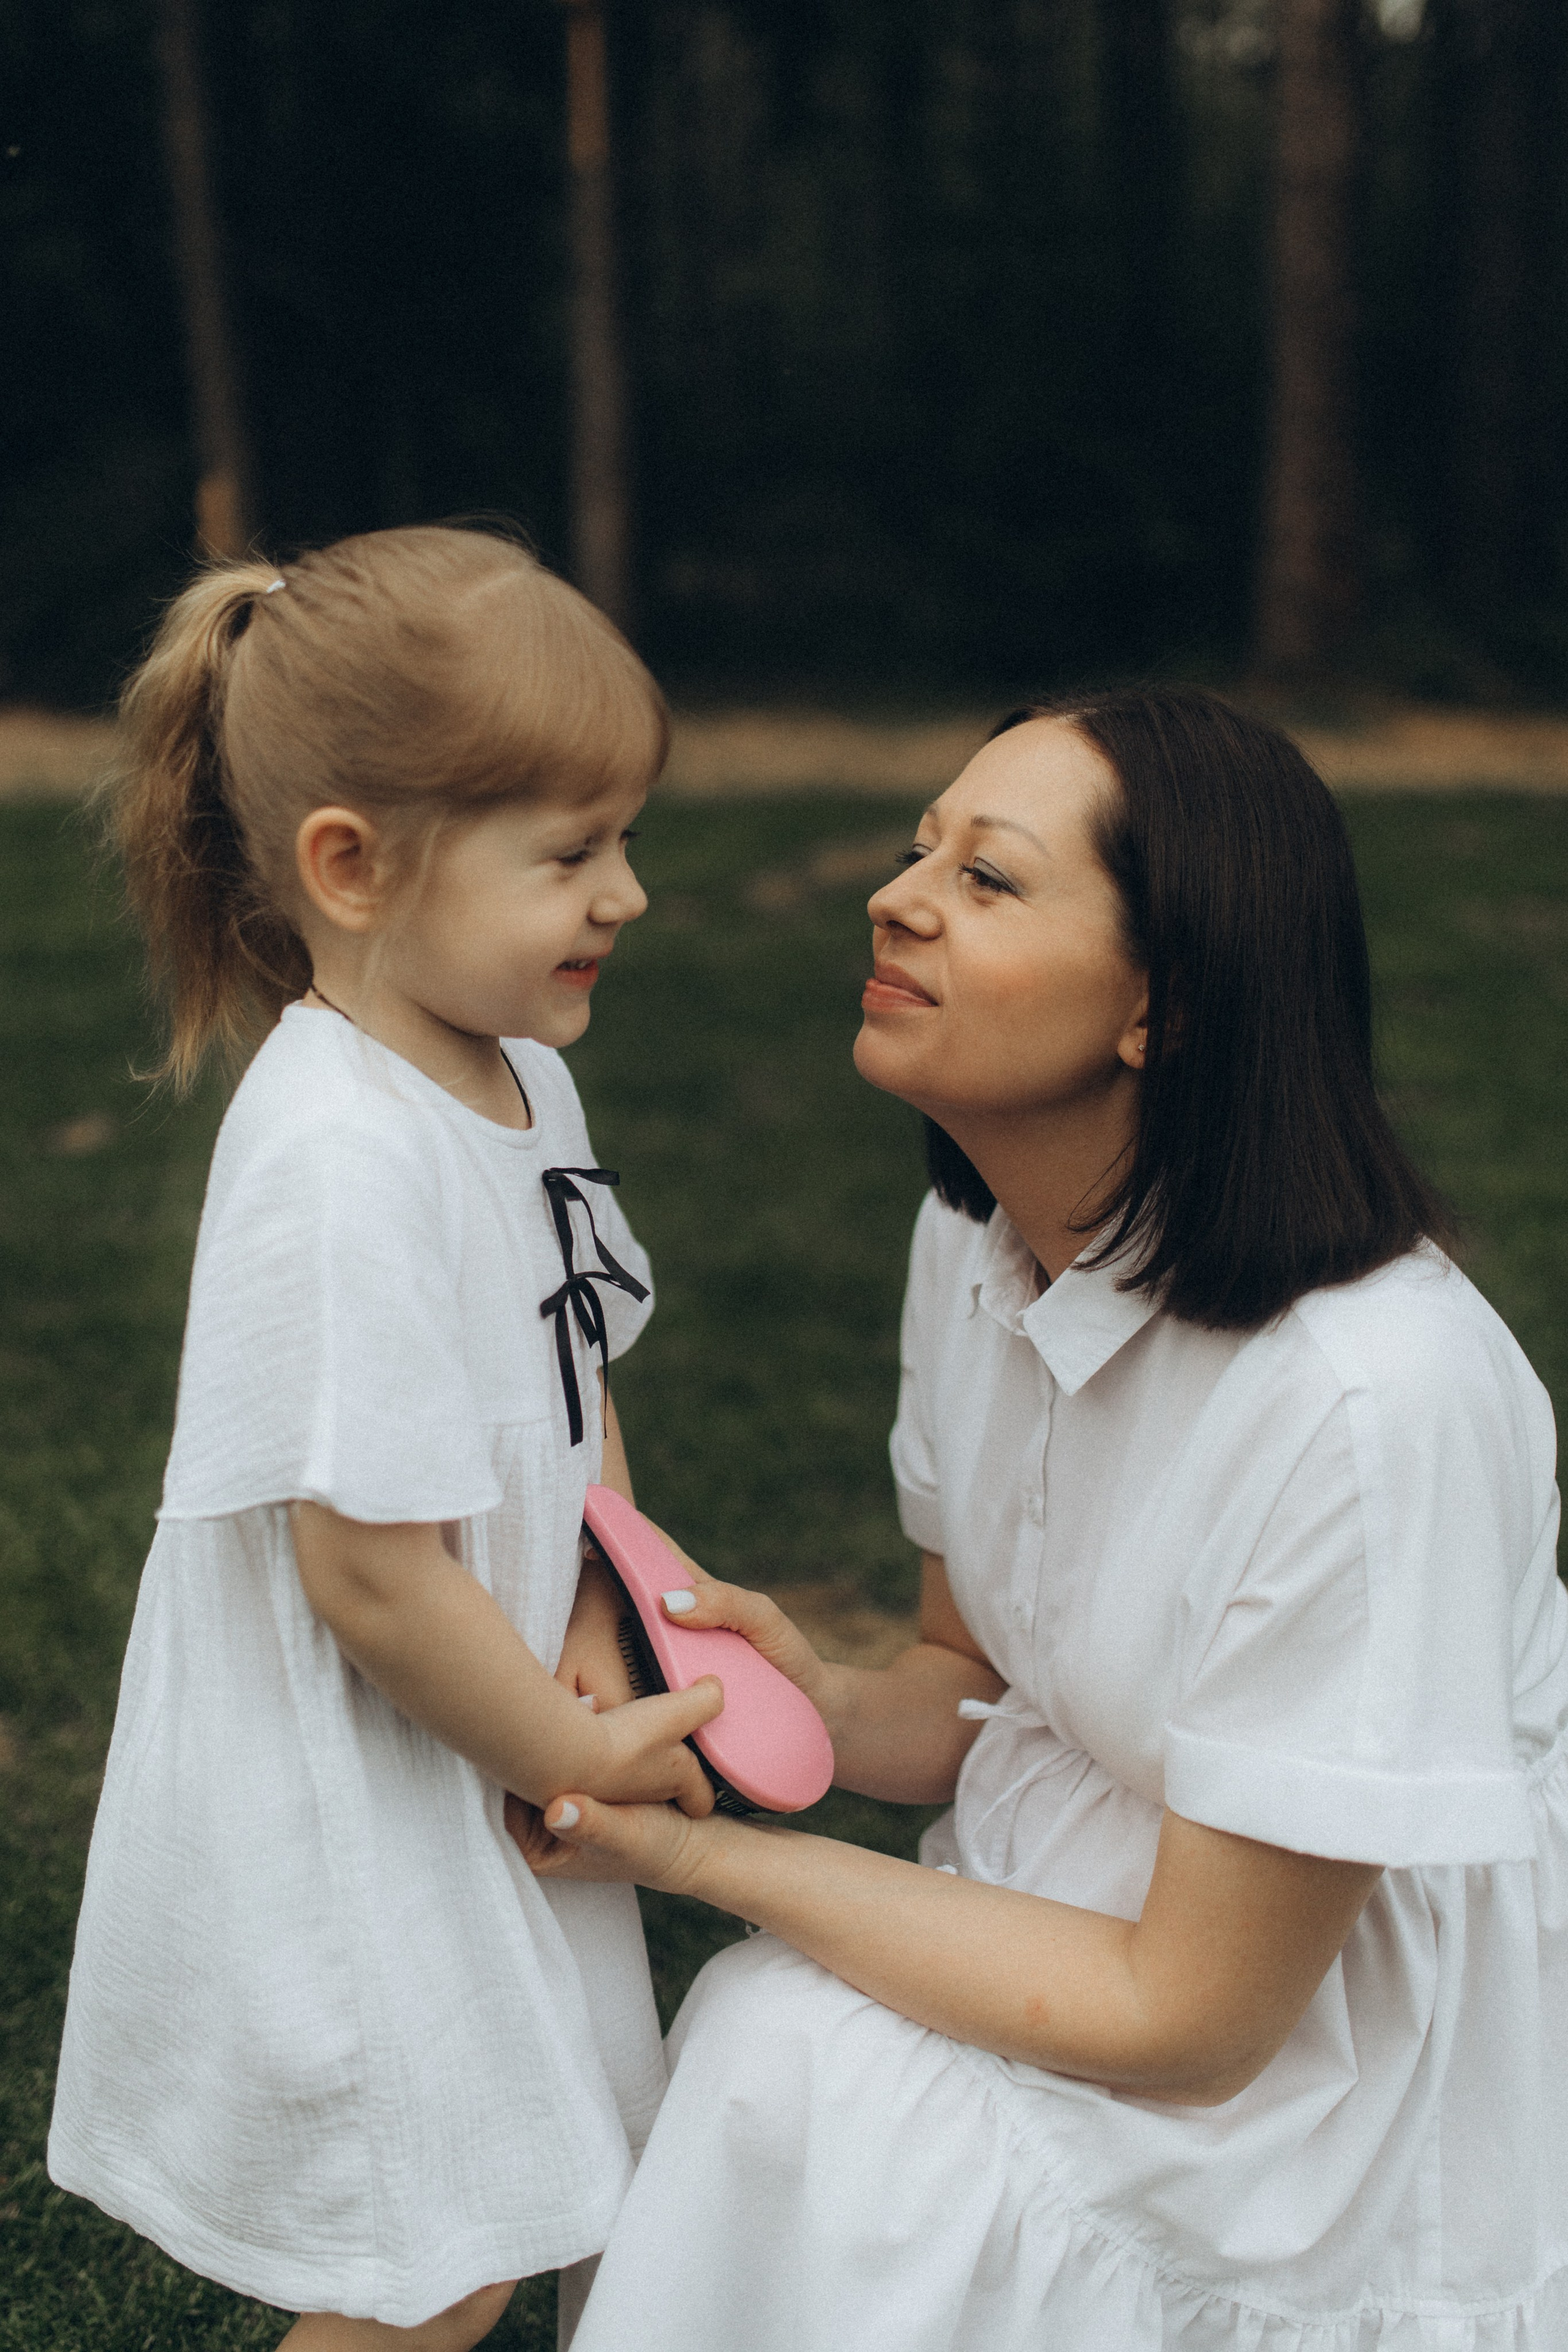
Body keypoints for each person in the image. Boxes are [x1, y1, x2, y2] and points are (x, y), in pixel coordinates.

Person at [526, 688, 1568, 2351]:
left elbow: (1200, 2020)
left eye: (990, 878)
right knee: (778, 2056)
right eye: (914, 846)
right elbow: (968, 1677)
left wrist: (703, 1857)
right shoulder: (984, 1247)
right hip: (1090, 1917)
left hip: (1320, 2068)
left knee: (788, 2053)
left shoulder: (1375, 1405)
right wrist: (781, 1684)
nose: (897, 894)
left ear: (1162, 1002)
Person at [47, 526, 725, 2351]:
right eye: (572, 853)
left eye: (629, 840)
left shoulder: (521, 1067)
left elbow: (583, 1364)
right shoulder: (335, 1157)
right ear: (353, 867)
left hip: (493, 1717)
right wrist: (570, 1760)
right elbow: (363, 1577)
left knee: (556, 2157)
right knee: (445, 2258)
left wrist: (609, 1606)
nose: (628, 895)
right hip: (365, 1780)